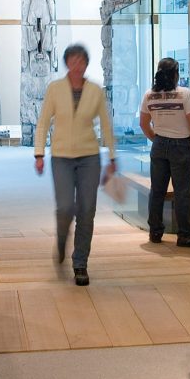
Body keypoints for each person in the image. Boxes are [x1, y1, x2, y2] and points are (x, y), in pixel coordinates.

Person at [34, 44, 117, 287]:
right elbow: (43, 122)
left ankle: (80, 262)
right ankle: (61, 241)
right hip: (61, 157)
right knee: (65, 208)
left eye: (81, 61)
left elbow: (106, 124)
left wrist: (112, 157)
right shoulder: (55, 88)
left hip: (89, 157)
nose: (77, 65)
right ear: (67, 63)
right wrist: (39, 154)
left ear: (86, 63)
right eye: (73, 61)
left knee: (87, 210)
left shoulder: (95, 90)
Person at [139, 57, 190, 248]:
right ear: (175, 74)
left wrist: (156, 139)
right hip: (181, 146)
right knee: (182, 192)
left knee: (157, 191)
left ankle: (155, 231)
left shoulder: (149, 95)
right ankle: (184, 234)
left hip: (159, 144)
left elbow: (143, 124)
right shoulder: (184, 94)